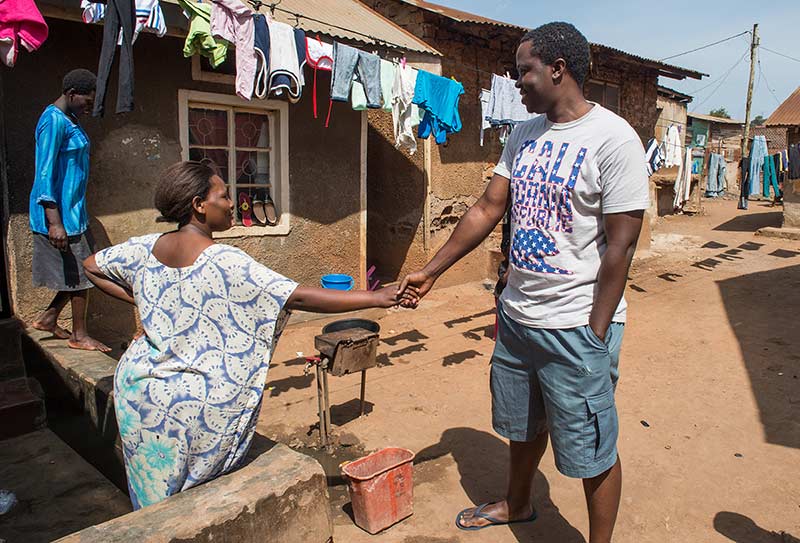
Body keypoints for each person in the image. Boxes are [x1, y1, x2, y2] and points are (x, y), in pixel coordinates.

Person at [399, 22, 649, 542]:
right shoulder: (523, 135)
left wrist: (595, 331)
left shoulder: (614, 139)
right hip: (517, 317)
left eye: (523, 72)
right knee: (522, 422)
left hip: (576, 326)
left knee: (591, 446)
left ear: (557, 69)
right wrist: (431, 270)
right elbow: (487, 207)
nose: (516, 83)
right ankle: (518, 503)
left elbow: (621, 246)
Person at [82, 161, 412, 510]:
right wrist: (377, 297)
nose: (231, 203)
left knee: (152, 496)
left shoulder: (145, 248)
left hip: (138, 393)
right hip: (191, 407)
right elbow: (296, 297)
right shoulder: (225, 261)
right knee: (184, 501)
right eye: (223, 196)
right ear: (199, 205)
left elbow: (91, 266)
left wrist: (151, 303)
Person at [29, 68, 110, 352]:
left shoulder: (69, 120)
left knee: (81, 269)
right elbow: (44, 174)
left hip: (75, 215)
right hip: (61, 216)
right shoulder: (52, 122)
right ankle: (79, 335)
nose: (90, 107)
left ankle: (49, 318)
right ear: (72, 94)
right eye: (87, 101)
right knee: (82, 274)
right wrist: (55, 222)